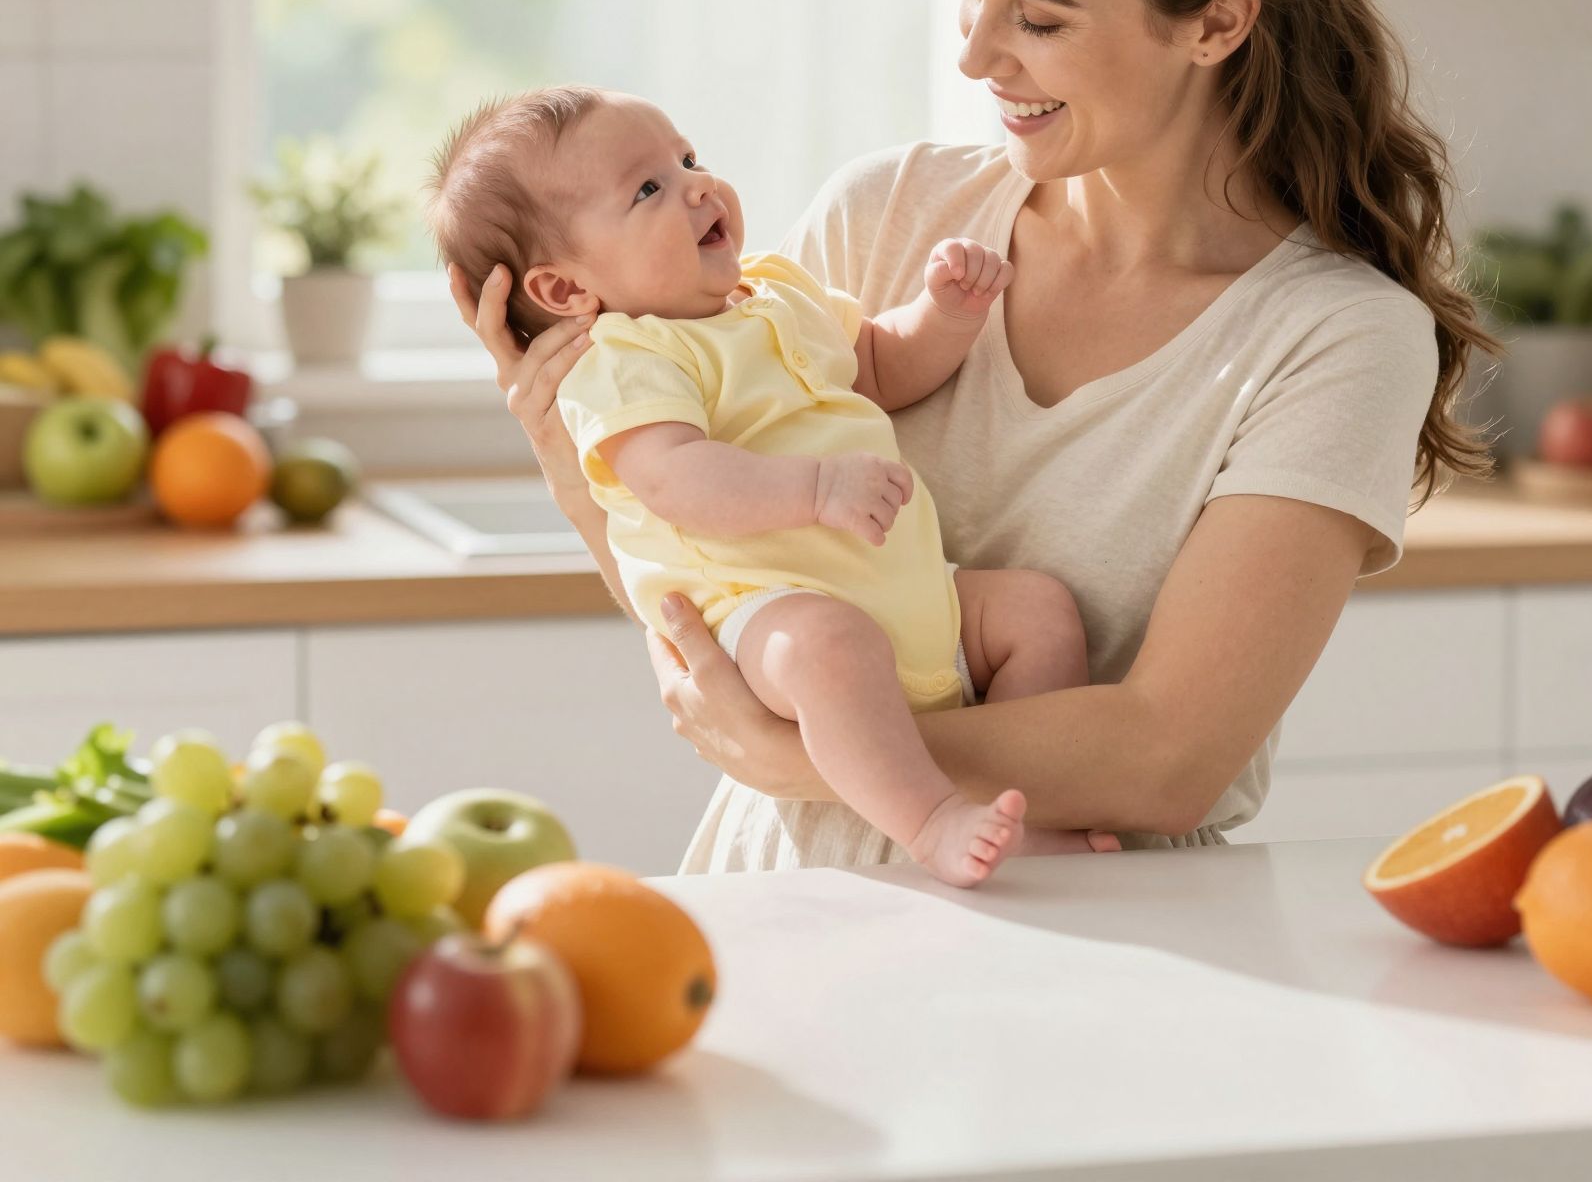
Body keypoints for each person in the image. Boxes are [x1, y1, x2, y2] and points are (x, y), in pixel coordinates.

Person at [451, 0, 1496, 870]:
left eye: (1038, 19)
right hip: (785, 894)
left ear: (1214, 22)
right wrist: (570, 459)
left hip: (1080, 930)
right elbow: (711, 594)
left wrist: (806, 757)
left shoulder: (1331, 339)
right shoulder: (886, 214)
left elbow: (1166, 758)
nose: (975, 55)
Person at [425, 86, 1113, 885]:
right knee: (832, 647)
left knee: (1037, 612)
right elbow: (674, 480)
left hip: (913, 595)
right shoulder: (624, 359)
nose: (697, 186)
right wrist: (816, 489)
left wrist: (945, 314)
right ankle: (933, 821)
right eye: (647, 189)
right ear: (564, 292)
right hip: (765, 607)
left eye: (689, 158)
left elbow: (877, 362)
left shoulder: (775, 290)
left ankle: (1032, 816)